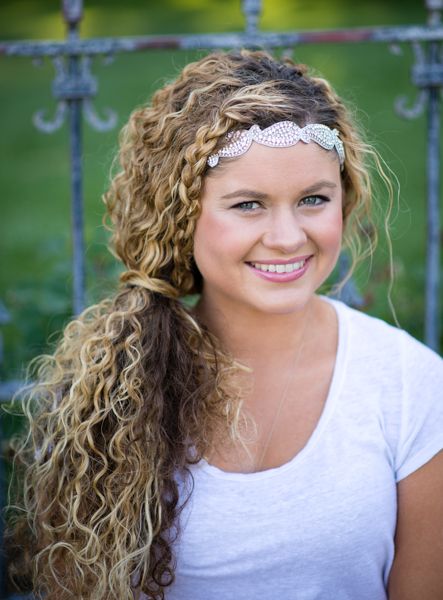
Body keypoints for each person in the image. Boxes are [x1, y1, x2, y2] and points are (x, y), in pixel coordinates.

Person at [7, 49, 443, 600]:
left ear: (344, 201)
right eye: (248, 205)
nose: (287, 236)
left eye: (313, 199)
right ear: (182, 213)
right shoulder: (111, 396)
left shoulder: (410, 386)